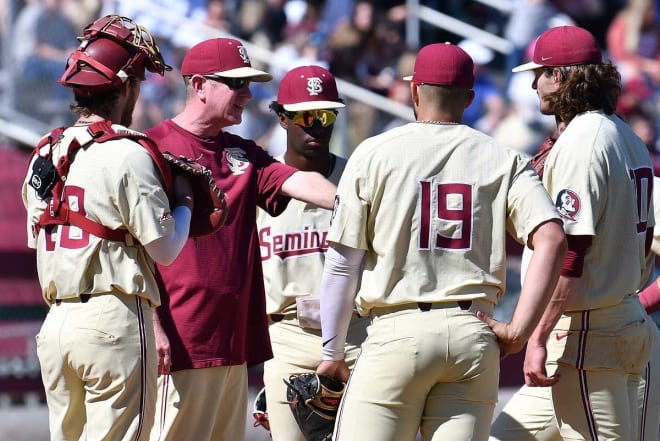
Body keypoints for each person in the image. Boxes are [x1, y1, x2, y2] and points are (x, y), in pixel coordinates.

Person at [314, 42, 567, 441]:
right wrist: (518, 331)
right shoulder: (504, 157)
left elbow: (343, 264)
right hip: (473, 331)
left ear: (415, 91)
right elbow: (552, 238)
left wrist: (331, 354)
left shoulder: (374, 152)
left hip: (397, 329)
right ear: (469, 98)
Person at [146, 38, 337, 441]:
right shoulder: (152, 148)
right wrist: (151, 324)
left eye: (249, 84)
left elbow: (300, 181)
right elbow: (130, 248)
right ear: (199, 85)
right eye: (236, 84)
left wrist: (360, 202)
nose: (247, 94)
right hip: (180, 340)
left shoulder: (243, 153)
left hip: (232, 342)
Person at [21, 15, 191, 441]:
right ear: (128, 85)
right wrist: (185, 202)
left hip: (57, 322)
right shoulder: (127, 153)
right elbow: (166, 250)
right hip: (112, 320)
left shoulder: (45, 149)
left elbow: (37, 236)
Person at [496, 25, 657, 440]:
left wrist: (538, 336)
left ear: (563, 75)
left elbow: (572, 252)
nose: (534, 84)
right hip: (623, 320)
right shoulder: (624, 133)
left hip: (587, 332)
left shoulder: (583, 141)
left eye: (541, 73)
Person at [256, 65, 369, 440]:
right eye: (306, 116)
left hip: (357, 334)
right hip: (285, 333)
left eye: (326, 114)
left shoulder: (359, 180)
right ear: (283, 118)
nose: (317, 125)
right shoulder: (257, 185)